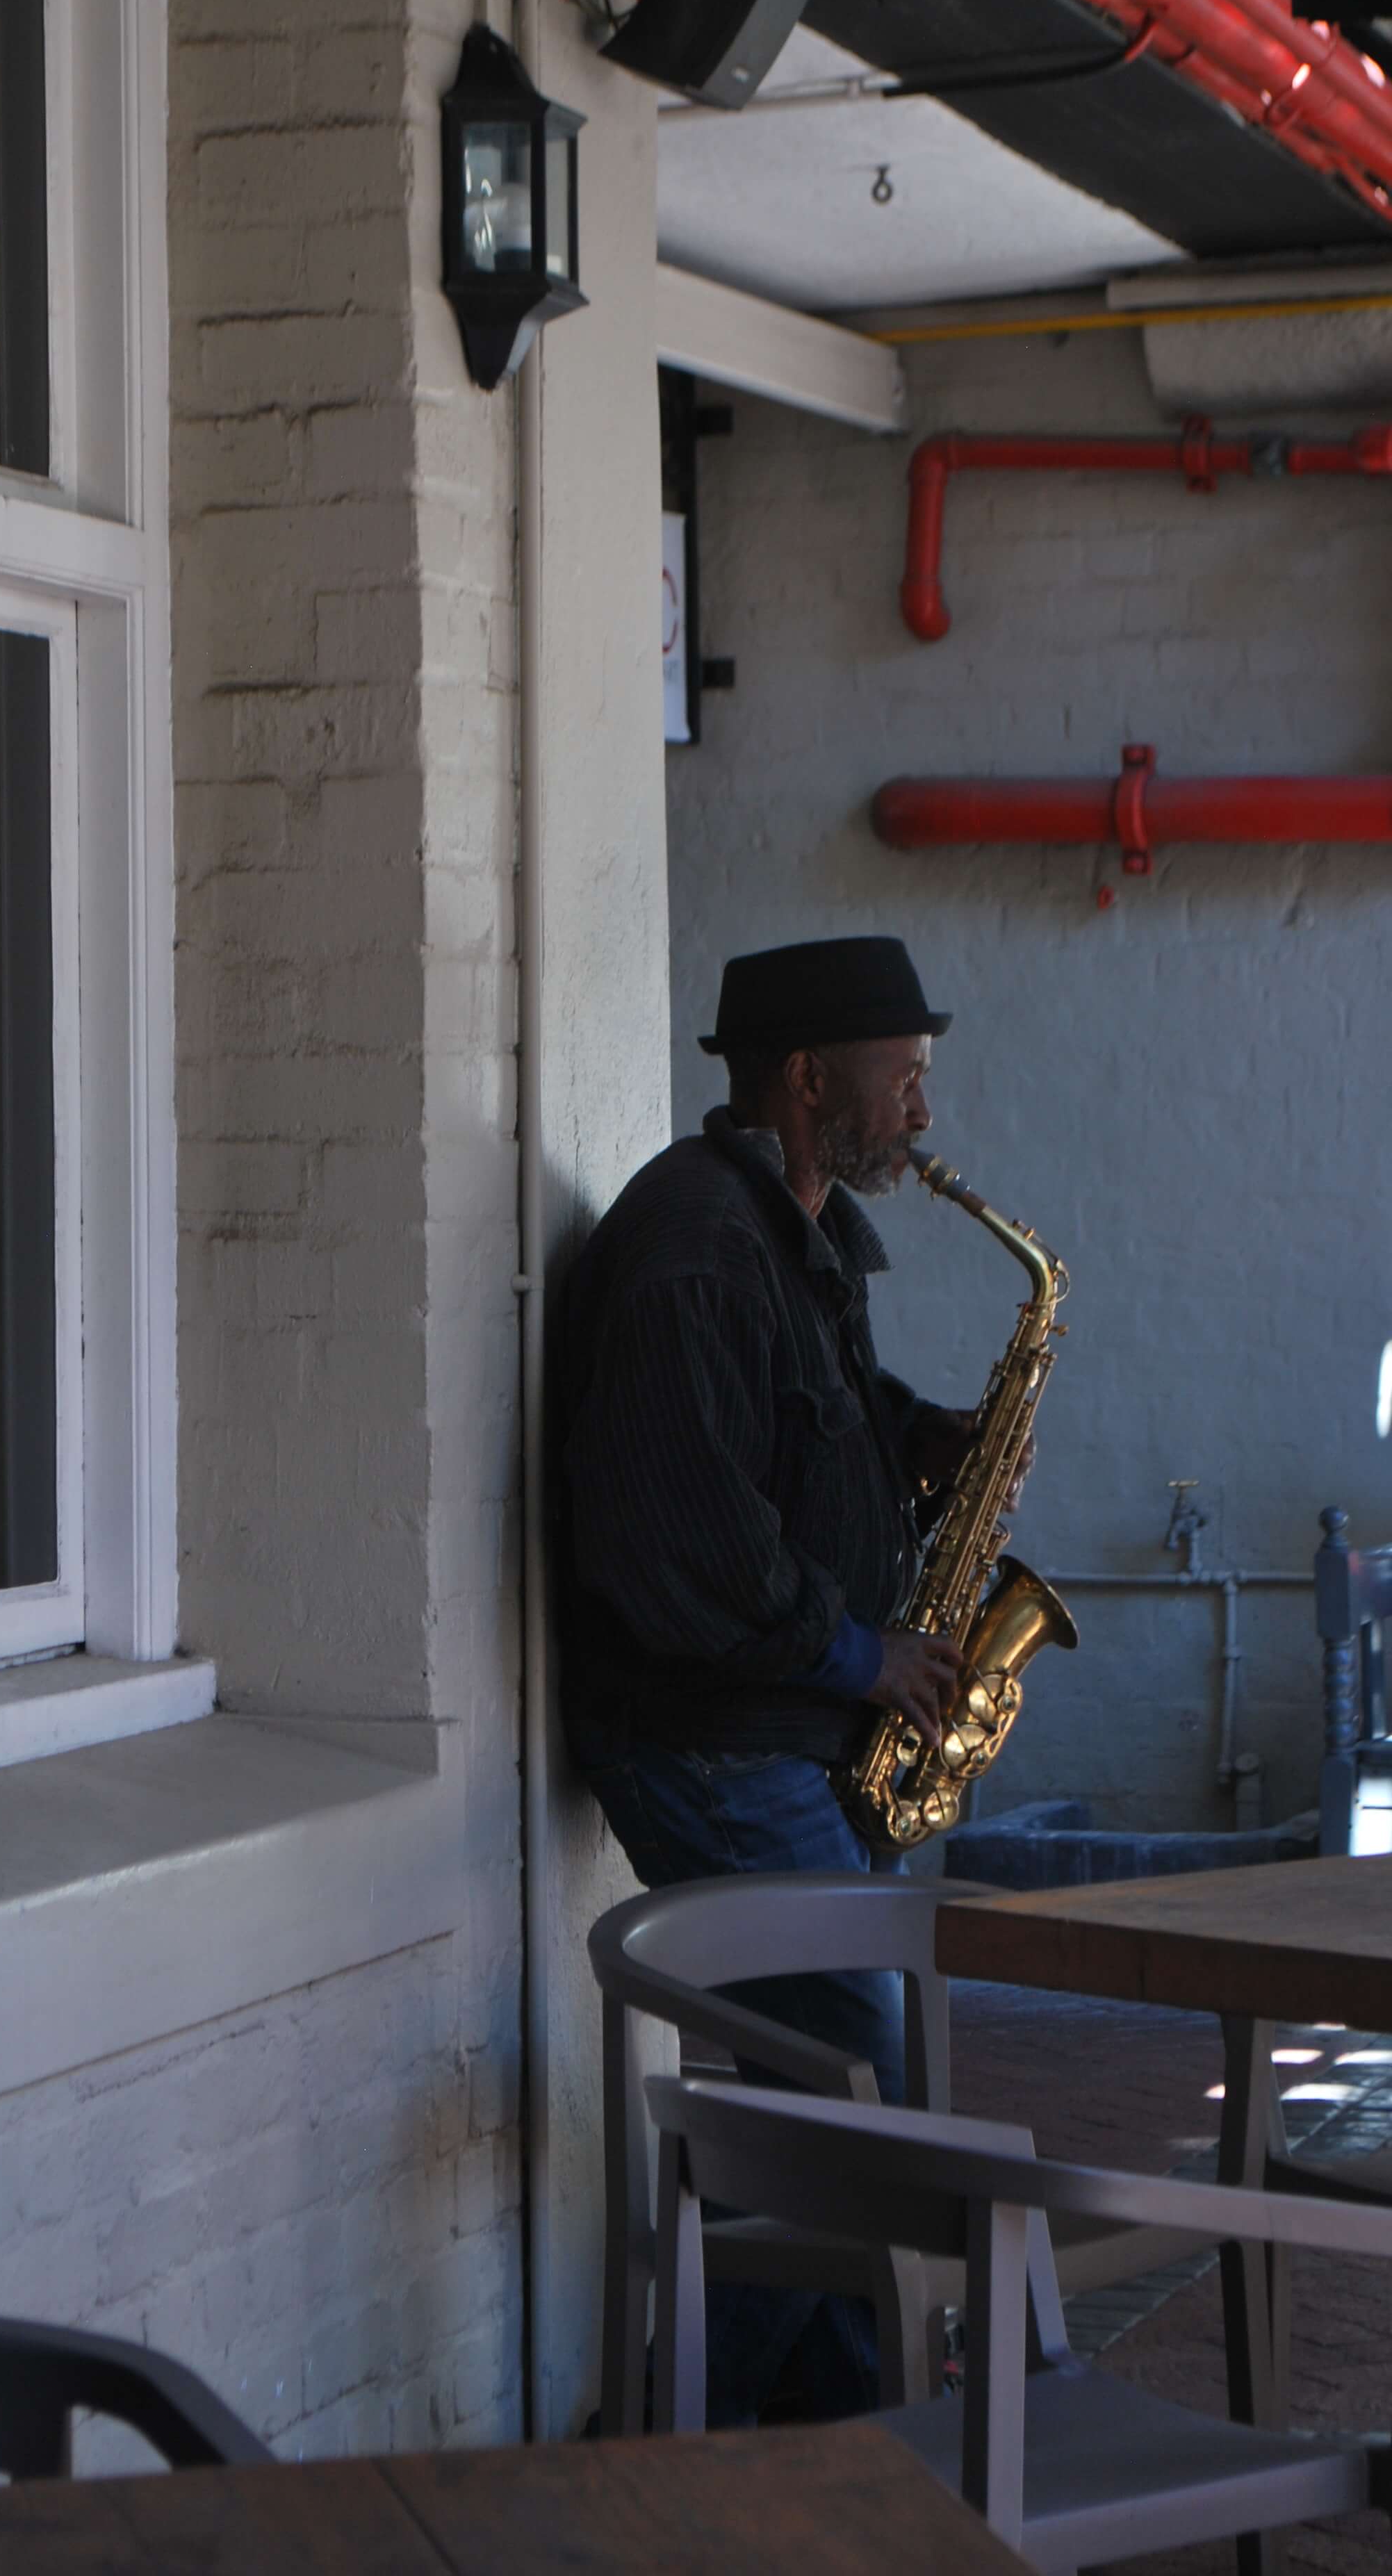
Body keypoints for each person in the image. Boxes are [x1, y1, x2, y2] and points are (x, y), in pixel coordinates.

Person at [561, 935, 978, 2429]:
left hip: (785, 1739)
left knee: (845, 2083)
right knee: (853, 2076)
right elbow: (683, 1545)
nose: (923, 1117)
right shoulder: (693, 1245)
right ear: (810, 1079)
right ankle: (666, 2454)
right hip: (716, 1741)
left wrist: (922, 1436)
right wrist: (871, 1655)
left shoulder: (788, 1229)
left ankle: (841, 2449)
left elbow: (818, 1415)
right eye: (905, 1081)